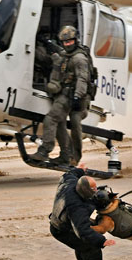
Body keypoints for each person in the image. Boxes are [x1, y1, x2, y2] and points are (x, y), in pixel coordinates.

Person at [31, 25, 92, 165]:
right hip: (66, 94)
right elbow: (60, 57)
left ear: (75, 40)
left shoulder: (79, 58)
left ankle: (45, 150)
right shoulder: (67, 54)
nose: (67, 44)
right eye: (65, 42)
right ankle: (66, 155)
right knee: (59, 122)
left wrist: (77, 96)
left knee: (53, 119)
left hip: (74, 97)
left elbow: (83, 79)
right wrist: (47, 45)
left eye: (70, 42)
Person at [49, 165, 115, 260]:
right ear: (86, 191)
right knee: (91, 246)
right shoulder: (77, 207)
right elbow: (83, 231)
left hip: (63, 221)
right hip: (61, 230)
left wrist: (80, 170)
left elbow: (68, 174)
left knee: (82, 241)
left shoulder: (70, 183)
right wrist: (102, 241)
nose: (96, 191)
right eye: (94, 189)